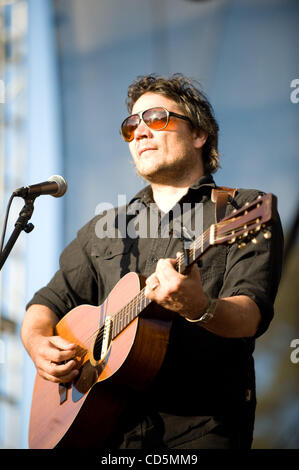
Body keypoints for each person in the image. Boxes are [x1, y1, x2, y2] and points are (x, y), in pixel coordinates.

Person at [21, 73, 283, 449]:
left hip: (199, 431)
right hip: (105, 433)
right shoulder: (104, 227)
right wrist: (38, 345)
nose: (140, 132)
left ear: (198, 134)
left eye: (157, 118)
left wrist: (199, 307)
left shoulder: (242, 209)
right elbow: (45, 304)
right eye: (131, 126)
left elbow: (250, 313)